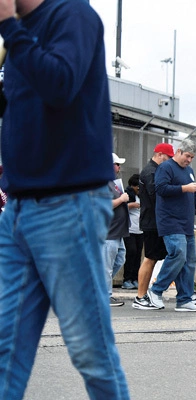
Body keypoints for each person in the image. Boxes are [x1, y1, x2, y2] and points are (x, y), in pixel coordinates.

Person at [0, 0, 129, 397]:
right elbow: (20, 105)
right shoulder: (18, 36)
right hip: (18, 209)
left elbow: (60, 84)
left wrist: (9, 26)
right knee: (5, 349)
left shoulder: (73, 15)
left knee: (91, 352)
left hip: (67, 205)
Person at [133, 143, 196, 310]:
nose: (189, 160)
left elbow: (194, 194)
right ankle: (156, 290)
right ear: (178, 152)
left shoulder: (189, 171)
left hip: (187, 222)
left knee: (190, 260)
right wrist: (185, 188)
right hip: (170, 220)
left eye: (192, 158)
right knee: (178, 253)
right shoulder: (165, 167)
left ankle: (184, 299)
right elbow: (161, 189)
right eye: (187, 156)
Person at [105, 153, 130, 307]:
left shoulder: (113, 182)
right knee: (106, 266)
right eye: (117, 164)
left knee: (120, 258)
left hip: (117, 232)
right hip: (108, 232)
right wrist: (121, 199)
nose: (119, 167)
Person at [122, 173, 143, 290]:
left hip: (140, 230)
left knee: (138, 254)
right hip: (130, 230)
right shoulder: (127, 195)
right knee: (131, 252)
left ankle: (135, 278)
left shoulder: (142, 195)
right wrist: (132, 205)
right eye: (137, 187)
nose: (138, 190)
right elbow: (121, 207)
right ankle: (127, 279)